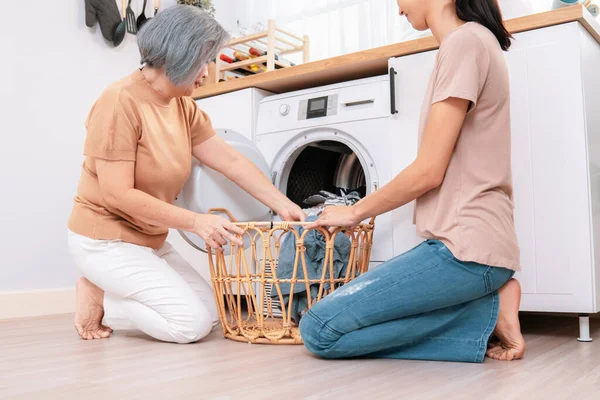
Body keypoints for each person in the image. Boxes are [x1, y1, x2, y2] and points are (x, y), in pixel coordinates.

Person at [300, 0, 526, 362]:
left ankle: (485, 312)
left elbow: (428, 171)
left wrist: (353, 212)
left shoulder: (464, 44)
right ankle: (486, 311)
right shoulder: (466, 44)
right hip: (467, 247)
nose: (398, 8)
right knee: (328, 327)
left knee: (319, 331)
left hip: (466, 251)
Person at [67, 5, 304, 344]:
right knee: (188, 326)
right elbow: (117, 195)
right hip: (104, 239)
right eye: (205, 60)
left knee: (210, 315)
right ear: (180, 56)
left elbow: (231, 162)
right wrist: (195, 222)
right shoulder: (119, 102)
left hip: (149, 239)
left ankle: (106, 288)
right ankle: (98, 294)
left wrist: (283, 204)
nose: (208, 72)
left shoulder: (183, 105)